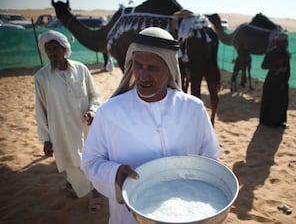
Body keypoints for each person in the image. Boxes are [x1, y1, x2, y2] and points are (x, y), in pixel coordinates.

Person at [81, 27, 220, 224]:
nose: (143, 76)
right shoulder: (109, 112)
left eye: (153, 68)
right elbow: (90, 162)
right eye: (138, 65)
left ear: (170, 68)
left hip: (185, 213)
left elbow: (211, 159)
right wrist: (114, 174)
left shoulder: (193, 109)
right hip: (129, 218)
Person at [34, 30, 102, 208]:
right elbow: (40, 111)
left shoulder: (81, 69)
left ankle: (89, 191)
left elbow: (95, 95)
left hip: (85, 127)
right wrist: (46, 139)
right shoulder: (41, 78)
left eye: (55, 48)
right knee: (71, 162)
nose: (52, 53)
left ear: (65, 49)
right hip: (61, 131)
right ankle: (86, 190)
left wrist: (93, 110)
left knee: (90, 160)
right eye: (48, 49)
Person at [259, 32, 291, 128]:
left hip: (283, 81)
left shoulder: (286, 53)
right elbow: (263, 66)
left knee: (282, 102)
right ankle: (266, 122)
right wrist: (275, 67)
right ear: (278, 42)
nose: (284, 43)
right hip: (272, 81)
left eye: (285, 41)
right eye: (283, 41)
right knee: (269, 100)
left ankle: (279, 122)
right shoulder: (271, 52)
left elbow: (287, 67)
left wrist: (284, 76)